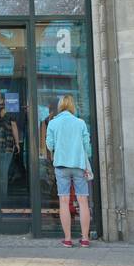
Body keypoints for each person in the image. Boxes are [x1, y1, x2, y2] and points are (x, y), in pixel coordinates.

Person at [45, 94, 92, 248]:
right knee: (83, 201)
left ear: (60, 107)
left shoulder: (53, 123)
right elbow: (87, 146)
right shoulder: (80, 123)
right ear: (72, 106)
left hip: (61, 166)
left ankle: (68, 239)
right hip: (79, 165)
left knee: (64, 201)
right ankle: (85, 238)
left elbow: (49, 145)